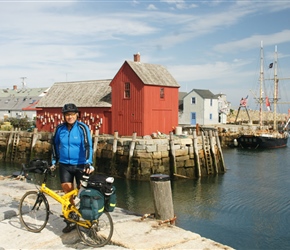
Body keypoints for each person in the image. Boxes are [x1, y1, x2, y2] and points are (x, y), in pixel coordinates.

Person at [50, 103, 94, 233]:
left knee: (83, 193)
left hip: (80, 164)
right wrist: (54, 161)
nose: (70, 117)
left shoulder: (82, 128)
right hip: (65, 165)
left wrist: (88, 162)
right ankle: (71, 220)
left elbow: (88, 146)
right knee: (67, 192)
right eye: (67, 115)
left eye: (72, 114)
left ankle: (89, 219)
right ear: (64, 116)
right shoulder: (59, 129)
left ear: (77, 115)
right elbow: (54, 145)